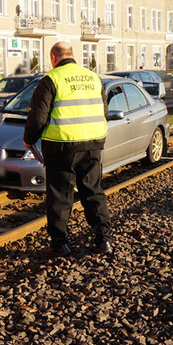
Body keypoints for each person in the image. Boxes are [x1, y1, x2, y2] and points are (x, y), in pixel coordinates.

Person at [23, 41, 112, 256]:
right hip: (92, 144)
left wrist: (29, 139)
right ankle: (103, 240)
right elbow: (104, 111)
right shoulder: (93, 78)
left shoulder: (51, 79)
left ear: (53, 57)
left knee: (60, 195)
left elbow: (38, 116)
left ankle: (60, 243)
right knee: (93, 191)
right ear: (72, 55)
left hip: (61, 146)